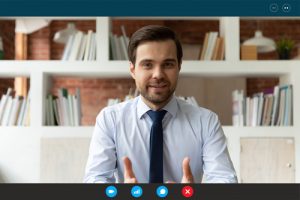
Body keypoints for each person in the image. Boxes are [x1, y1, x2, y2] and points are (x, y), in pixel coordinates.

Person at [84, 25, 237, 183]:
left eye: (168, 64)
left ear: (179, 67)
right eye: (148, 65)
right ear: (132, 70)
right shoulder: (110, 120)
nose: (158, 74)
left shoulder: (206, 122)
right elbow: (95, 180)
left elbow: (225, 181)